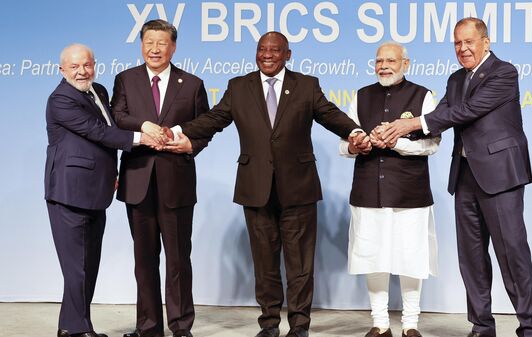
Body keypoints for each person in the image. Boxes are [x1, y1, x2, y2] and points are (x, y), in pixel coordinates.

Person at [164, 31, 369, 337]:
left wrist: (354, 132)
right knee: (265, 263)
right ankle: (269, 324)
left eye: (275, 50)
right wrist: (179, 130)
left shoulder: (306, 85)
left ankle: (299, 326)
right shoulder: (238, 87)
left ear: (288, 54)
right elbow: (215, 119)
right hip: (255, 187)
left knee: (300, 265)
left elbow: (329, 115)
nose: (267, 55)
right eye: (262, 50)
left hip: (298, 188)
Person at [379, 18, 532, 337]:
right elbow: (439, 119)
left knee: (512, 253)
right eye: (457, 43)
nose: (463, 48)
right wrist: (394, 135)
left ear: (486, 42)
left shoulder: (504, 72)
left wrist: (409, 124)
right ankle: (481, 326)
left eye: (469, 42)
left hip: (500, 176)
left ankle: (528, 328)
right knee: (471, 258)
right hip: (465, 177)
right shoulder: (455, 79)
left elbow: (468, 111)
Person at [45, 44, 154, 337]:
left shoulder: (99, 90)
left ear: (95, 64)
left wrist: (112, 172)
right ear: (62, 70)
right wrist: (143, 137)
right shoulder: (61, 99)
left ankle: (71, 326)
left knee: (86, 264)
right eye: (74, 67)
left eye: (87, 65)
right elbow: (98, 132)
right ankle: (78, 329)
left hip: (96, 190)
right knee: (78, 266)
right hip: (71, 192)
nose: (82, 72)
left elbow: (107, 128)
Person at [111, 19, 210, 337]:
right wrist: (144, 127)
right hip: (138, 180)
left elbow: (203, 126)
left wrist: (190, 143)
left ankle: (181, 327)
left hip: (177, 183)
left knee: (179, 259)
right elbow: (117, 117)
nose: (155, 48)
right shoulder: (125, 79)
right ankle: (148, 327)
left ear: (173, 47)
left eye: (162, 42)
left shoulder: (192, 84)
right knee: (144, 260)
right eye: (149, 41)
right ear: (141, 45)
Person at [340, 41, 440, 337]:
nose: (383, 66)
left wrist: (396, 141)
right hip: (368, 191)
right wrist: (357, 145)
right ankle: (380, 323)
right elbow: (344, 144)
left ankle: (411, 324)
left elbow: (432, 145)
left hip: (410, 193)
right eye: (379, 61)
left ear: (405, 64)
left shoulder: (423, 96)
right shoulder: (360, 96)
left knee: (412, 257)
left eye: (390, 61)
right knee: (374, 257)